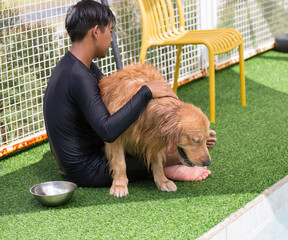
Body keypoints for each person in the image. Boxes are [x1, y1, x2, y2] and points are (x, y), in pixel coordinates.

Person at [43, 0, 216, 188]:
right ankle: (170, 168)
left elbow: (115, 98)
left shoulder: (79, 66)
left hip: (91, 153)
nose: (111, 39)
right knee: (168, 152)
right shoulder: (78, 76)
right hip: (89, 169)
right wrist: (146, 91)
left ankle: (178, 156)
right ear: (95, 32)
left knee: (161, 142)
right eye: (110, 31)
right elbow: (108, 131)